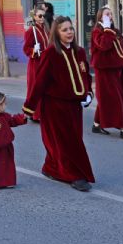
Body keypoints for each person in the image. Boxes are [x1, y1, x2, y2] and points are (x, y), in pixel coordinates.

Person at [23, 16, 95, 192]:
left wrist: (88, 94)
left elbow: (85, 74)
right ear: (56, 33)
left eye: (71, 29)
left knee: (73, 140)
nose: (69, 32)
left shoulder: (79, 52)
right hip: (54, 106)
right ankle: (74, 175)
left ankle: (51, 168)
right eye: (64, 30)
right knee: (65, 143)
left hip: (74, 106)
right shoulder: (50, 54)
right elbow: (39, 82)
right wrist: (29, 107)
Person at [90, 7, 123, 140]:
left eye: (111, 14)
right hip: (105, 69)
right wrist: (107, 30)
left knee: (110, 97)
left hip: (117, 68)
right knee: (116, 98)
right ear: (100, 17)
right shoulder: (97, 32)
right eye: (107, 14)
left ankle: (96, 124)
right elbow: (104, 46)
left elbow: (122, 50)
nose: (110, 16)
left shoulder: (114, 31)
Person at [22, 5, 50, 122]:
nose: (42, 18)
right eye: (40, 15)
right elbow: (26, 49)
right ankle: (34, 113)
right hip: (36, 64)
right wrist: (34, 50)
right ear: (34, 17)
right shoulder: (31, 31)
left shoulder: (46, 29)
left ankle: (44, 112)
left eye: (44, 15)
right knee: (36, 88)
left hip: (46, 62)